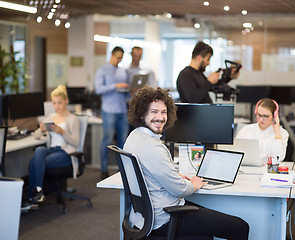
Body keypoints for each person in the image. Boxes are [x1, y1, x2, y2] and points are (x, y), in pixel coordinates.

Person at [124, 86, 249, 239]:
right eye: (154, 112)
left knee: (207, 232)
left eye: (163, 112)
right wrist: (194, 184)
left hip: (143, 217)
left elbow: (152, 172)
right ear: (142, 114)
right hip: (165, 217)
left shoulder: (134, 137)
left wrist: (176, 175)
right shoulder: (153, 148)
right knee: (240, 227)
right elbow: (179, 190)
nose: (160, 117)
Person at [28, 85, 80, 203]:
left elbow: (76, 142)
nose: (57, 106)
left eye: (59, 103)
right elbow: (35, 136)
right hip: (51, 150)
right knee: (39, 151)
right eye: (54, 103)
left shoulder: (73, 119)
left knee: (34, 162)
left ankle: (34, 194)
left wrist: (62, 132)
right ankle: (38, 190)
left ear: (66, 101)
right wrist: (41, 129)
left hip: (65, 153)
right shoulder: (51, 117)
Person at [94, 46, 130, 179]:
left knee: (123, 142)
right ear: (112, 55)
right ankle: (104, 169)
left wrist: (129, 91)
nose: (119, 60)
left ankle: (123, 170)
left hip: (122, 110)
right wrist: (116, 86)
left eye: (121, 58)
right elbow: (98, 89)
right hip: (109, 110)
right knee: (107, 140)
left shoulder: (123, 71)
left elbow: (126, 94)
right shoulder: (102, 70)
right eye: (118, 58)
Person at [236, 98, 289, 163]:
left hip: (268, 170)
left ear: (274, 116)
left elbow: (279, 158)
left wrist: (277, 134)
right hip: (247, 168)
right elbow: (236, 154)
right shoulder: (245, 130)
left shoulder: (282, 133)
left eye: (265, 116)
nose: (261, 119)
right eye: (259, 115)